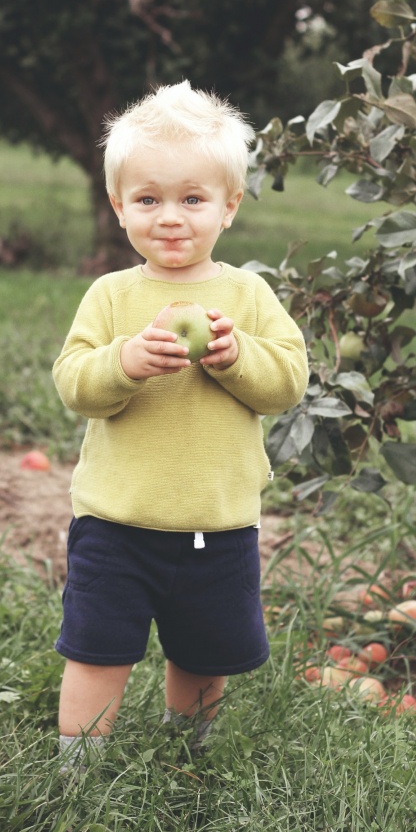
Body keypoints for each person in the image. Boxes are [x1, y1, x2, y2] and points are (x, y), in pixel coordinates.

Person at [51, 80, 308, 768]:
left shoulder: (248, 296)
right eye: (148, 199)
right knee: (96, 650)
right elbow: (74, 381)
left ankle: (186, 751)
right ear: (118, 206)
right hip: (116, 521)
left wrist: (235, 355)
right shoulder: (112, 296)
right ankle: (76, 769)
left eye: (192, 199)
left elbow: (288, 380)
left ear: (229, 206)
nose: (170, 217)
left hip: (216, 523)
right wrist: (127, 361)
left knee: (204, 652)